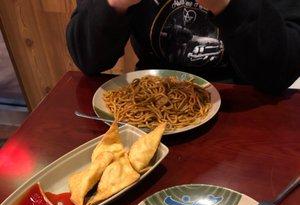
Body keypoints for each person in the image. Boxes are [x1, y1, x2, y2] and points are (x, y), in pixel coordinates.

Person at [66, 0, 300, 94]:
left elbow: (281, 70)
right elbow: (87, 59)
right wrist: (114, 5)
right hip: (149, 102)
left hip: (241, 100)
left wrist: (227, 5)